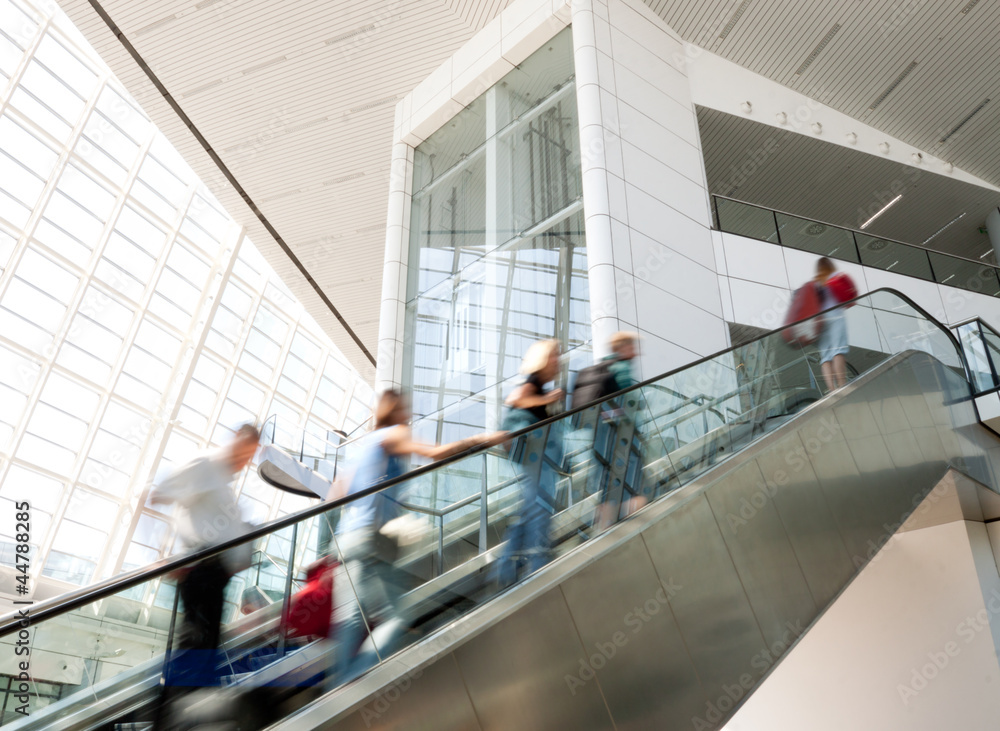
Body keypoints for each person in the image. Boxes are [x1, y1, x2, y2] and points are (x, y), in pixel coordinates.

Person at [328, 390, 493, 685]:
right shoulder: (391, 434)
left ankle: (336, 687)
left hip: (345, 540)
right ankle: (354, 679)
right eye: (405, 408)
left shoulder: (362, 446)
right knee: (397, 616)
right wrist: (479, 440)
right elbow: (434, 453)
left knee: (350, 620)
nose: (410, 414)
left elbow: (337, 491)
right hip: (369, 541)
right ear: (394, 411)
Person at [150, 424, 260, 715]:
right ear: (236, 440)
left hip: (216, 575)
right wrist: (162, 553)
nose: (245, 462)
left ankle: (186, 712)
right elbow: (157, 494)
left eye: (250, 457)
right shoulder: (204, 465)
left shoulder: (223, 482)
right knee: (194, 645)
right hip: (200, 569)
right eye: (245, 453)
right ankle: (169, 714)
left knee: (205, 647)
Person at [495, 339, 565, 588]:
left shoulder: (541, 387)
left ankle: (505, 569)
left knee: (528, 511)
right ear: (543, 360)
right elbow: (516, 399)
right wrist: (547, 399)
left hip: (537, 459)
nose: (559, 360)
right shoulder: (533, 383)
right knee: (539, 509)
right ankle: (537, 564)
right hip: (536, 458)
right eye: (555, 356)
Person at [588, 332, 648, 531]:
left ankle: (603, 528)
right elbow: (626, 403)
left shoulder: (603, 367)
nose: (636, 351)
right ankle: (634, 528)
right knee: (633, 480)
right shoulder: (622, 368)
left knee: (608, 485)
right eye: (632, 346)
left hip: (602, 438)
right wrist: (638, 405)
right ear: (622, 348)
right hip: (621, 437)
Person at [814, 257, 850, 391]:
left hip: (821, 321)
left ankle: (831, 389)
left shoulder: (816, 284)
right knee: (838, 350)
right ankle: (842, 384)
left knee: (825, 357)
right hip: (836, 316)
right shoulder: (835, 277)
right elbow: (847, 297)